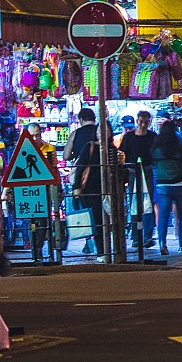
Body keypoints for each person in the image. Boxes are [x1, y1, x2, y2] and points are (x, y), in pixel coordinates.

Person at [64, 109, 104, 256]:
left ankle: (89, 242)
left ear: (80, 120)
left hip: (83, 180)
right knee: (100, 214)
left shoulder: (76, 134)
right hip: (100, 178)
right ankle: (102, 244)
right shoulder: (101, 132)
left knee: (86, 212)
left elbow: (67, 155)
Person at [151, 119, 182, 256]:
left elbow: (154, 166)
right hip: (180, 185)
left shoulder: (156, 149)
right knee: (181, 217)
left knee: (163, 216)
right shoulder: (179, 149)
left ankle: (162, 244)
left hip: (162, 186)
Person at [120, 110, 158, 252]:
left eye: (146, 122)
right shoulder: (129, 137)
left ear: (149, 122)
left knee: (147, 203)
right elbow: (123, 154)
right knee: (134, 203)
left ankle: (147, 236)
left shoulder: (153, 137)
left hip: (147, 171)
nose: (143, 124)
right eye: (141, 121)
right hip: (132, 172)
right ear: (137, 121)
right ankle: (136, 236)